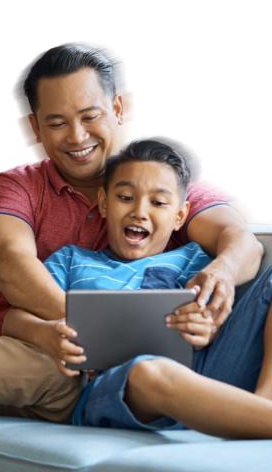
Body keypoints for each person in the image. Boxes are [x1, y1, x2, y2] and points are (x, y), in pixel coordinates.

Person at [0, 44, 263, 426]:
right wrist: (95, 332)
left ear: (118, 109)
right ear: (35, 127)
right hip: (25, 348)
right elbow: (10, 263)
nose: (76, 136)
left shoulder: (163, 187)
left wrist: (221, 271)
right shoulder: (17, 187)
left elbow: (239, 239)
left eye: (90, 116)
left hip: (67, 373)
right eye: (56, 123)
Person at [19, 139, 272, 439]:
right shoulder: (72, 261)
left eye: (158, 203)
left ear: (180, 216)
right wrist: (45, 333)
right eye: (125, 197)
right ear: (103, 202)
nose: (139, 212)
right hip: (122, 388)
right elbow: (13, 318)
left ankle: (264, 404)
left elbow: (218, 308)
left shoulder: (195, 260)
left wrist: (208, 324)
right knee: (149, 371)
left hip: (211, 374)